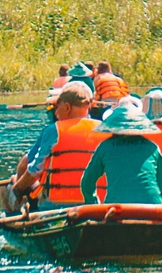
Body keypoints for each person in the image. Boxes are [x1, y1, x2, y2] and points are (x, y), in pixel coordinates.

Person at [11, 77, 101, 209]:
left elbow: (35, 170)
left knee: (8, 190)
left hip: (56, 205)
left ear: (67, 107)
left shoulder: (54, 130)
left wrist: (16, 189)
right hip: (96, 204)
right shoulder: (103, 129)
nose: (55, 112)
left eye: (56, 107)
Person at [79, 98, 162, 205]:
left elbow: (87, 182)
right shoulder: (153, 148)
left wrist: (93, 203)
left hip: (116, 208)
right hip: (153, 206)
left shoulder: (105, 147)